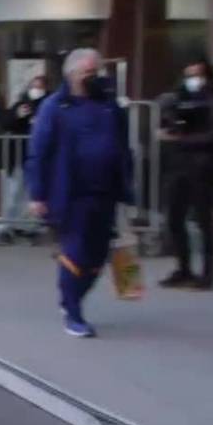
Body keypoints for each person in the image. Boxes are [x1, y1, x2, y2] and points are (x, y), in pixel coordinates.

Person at [26, 48, 134, 338]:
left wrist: (127, 185)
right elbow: (39, 152)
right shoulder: (55, 107)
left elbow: (123, 147)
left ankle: (72, 297)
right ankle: (73, 312)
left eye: (98, 71)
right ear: (72, 74)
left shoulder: (111, 106)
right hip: (70, 194)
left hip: (106, 192)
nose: (95, 77)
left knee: (97, 257)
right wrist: (37, 195)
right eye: (89, 72)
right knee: (76, 251)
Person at [158, 58, 213, 290]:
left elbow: (212, 137)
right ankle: (183, 268)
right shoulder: (180, 97)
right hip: (178, 165)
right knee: (174, 218)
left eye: (197, 75)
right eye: (189, 75)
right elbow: (171, 122)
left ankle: (207, 273)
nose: (193, 80)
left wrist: (180, 139)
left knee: (203, 220)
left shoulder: (212, 101)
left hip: (203, 166)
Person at [0, 76, 50, 245]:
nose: (36, 90)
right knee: (13, 193)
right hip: (19, 157)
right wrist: (17, 115)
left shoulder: (49, 105)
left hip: (38, 158)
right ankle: (8, 227)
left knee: (32, 195)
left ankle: (29, 228)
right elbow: (4, 122)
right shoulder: (21, 103)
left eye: (40, 87)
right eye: (34, 86)